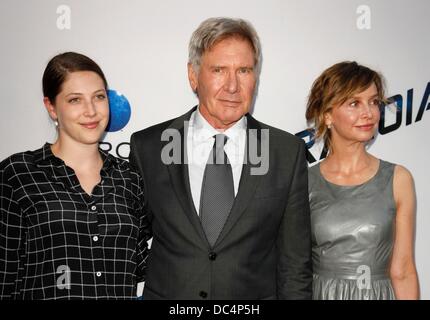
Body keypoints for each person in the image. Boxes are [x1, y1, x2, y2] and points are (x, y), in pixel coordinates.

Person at [129, 17, 312, 300]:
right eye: (219, 70)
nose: (232, 86)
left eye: (244, 70)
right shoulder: (150, 147)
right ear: (193, 75)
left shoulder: (285, 152)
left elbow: (295, 265)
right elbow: (129, 247)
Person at [0, 52, 150, 299]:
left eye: (99, 97)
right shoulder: (17, 174)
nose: (90, 111)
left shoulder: (129, 178)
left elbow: (143, 265)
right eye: (75, 100)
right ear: (51, 107)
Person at [306, 61, 420, 300]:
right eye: (354, 103)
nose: (368, 113)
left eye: (374, 102)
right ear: (327, 115)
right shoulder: (303, 182)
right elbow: (292, 268)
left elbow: (403, 270)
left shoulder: (398, 179)